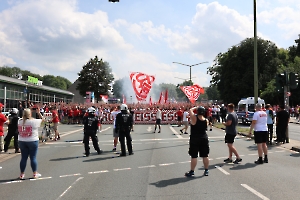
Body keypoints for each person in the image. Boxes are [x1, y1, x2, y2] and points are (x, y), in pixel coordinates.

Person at [18, 107, 43, 179]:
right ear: (30, 114)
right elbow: (43, 119)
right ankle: (34, 173)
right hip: (32, 140)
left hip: (22, 140)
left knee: (23, 158)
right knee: (33, 157)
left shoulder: (20, 121)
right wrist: (39, 113)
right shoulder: (34, 121)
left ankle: (22, 174)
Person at [185, 106, 210, 177]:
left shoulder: (194, 118)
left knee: (194, 156)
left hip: (195, 139)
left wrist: (195, 107)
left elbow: (190, 110)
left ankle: (192, 171)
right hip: (204, 138)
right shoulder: (206, 120)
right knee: (205, 155)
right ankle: (206, 170)